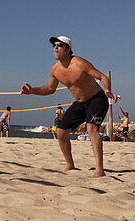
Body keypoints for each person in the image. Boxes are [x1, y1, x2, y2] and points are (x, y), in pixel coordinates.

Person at [21, 35, 119, 178]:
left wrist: (107, 89)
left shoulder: (79, 63)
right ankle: (70, 165)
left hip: (97, 99)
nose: (55, 47)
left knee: (91, 128)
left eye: (59, 45)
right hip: (80, 103)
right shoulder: (54, 70)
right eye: (53, 45)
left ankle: (99, 169)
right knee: (61, 131)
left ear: (68, 49)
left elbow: (103, 77)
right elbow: (50, 89)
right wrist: (32, 91)